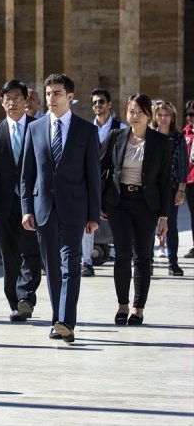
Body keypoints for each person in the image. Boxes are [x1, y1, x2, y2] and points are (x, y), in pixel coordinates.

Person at [21, 73, 100, 344]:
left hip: (74, 208)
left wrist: (93, 215)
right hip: (43, 208)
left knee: (70, 265)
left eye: (56, 93)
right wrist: (26, 209)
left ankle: (66, 320)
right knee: (51, 268)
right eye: (48, 93)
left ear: (70, 96)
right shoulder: (35, 128)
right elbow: (26, 174)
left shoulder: (86, 131)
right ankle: (58, 319)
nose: (51, 98)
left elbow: (93, 176)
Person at [101, 94, 171, 326]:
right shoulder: (116, 136)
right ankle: (122, 305)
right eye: (131, 111)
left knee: (143, 256)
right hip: (119, 202)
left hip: (146, 204)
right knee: (122, 254)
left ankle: (138, 308)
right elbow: (101, 167)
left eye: (139, 111)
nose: (134, 115)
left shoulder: (160, 142)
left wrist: (164, 215)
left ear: (148, 115)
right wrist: (101, 202)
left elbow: (164, 182)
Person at [0, 80, 42, 322]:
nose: (12, 102)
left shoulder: (38, 127)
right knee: (9, 253)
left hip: (32, 201)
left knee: (31, 250)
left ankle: (26, 295)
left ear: (26, 100)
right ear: (1, 102)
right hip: (3, 200)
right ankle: (15, 303)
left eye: (17, 97)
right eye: (8, 98)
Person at [81, 87, 127, 276]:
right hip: (92, 183)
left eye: (101, 102)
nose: (98, 105)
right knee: (88, 222)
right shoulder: (86, 130)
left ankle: (123, 259)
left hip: (115, 184)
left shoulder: (122, 128)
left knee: (120, 222)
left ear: (109, 104)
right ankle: (86, 261)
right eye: (94, 103)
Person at [149, 100, 187, 276]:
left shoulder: (178, 138)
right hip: (150, 188)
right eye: (160, 115)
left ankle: (173, 263)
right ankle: (146, 260)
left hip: (171, 188)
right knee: (148, 225)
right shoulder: (149, 136)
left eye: (167, 115)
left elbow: (183, 165)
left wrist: (181, 190)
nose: (163, 118)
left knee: (171, 224)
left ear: (172, 118)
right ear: (155, 117)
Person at [183, 101, 194, 259]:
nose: (190, 117)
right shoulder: (185, 133)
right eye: (188, 114)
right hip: (191, 179)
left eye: (193, 114)